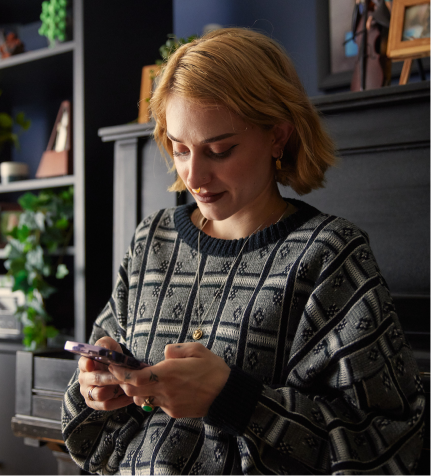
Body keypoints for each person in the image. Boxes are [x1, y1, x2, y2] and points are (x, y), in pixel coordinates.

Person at [62, 28, 425, 475]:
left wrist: (235, 399)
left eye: (220, 150)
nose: (194, 176)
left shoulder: (330, 256)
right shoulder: (150, 239)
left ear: (277, 137)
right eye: (179, 149)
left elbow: (388, 444)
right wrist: (96, 386)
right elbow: (98, 410)